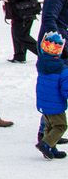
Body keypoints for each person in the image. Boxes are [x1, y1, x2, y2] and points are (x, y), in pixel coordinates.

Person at [35, 31, 68, 159]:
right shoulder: (63, 70)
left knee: (49, 126)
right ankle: (45, 144)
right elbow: (66, 90)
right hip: (56, 105)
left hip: (44, 103)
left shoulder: (42, 65)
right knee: (60, 126)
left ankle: (51, 148)